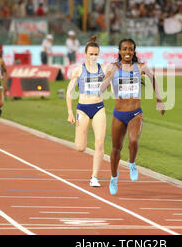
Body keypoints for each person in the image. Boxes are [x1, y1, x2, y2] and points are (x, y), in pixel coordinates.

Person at [100, 38, 165, 195]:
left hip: (135, 113)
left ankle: (131, 163)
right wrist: (106, 79)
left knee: (133, 140)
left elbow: (153, 79)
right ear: (119, 51)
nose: (127, 52)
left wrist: (159, 99)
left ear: (134, 51)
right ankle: (114, 178)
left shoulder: (141, 67)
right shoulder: (113, 67)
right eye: (124, 49)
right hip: (118, 114)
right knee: (116, 148)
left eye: (130, 49)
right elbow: (102, 87)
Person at [66, 36, 106, 187]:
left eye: (96, 54)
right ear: (85, 54)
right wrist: (70, 112)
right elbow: (69, 92)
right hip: (82, 109)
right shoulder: (78, 70)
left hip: (98, 108)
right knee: (80, 147)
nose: (94, 57)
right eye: (91, 54)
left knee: (99, 143)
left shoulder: (103, 69)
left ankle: (94, 177)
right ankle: (81, 137)